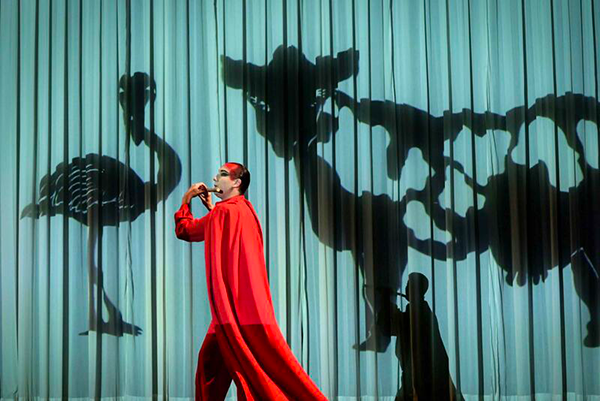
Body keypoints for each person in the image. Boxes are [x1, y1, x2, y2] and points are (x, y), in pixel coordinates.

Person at [174, 162, 327, 401]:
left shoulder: (223, 213)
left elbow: (186, 230)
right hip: (249, 313)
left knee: (233, 374)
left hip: (232, 316)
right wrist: (212, 209)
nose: (215, 179)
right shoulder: (246, 211)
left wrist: (186, 199)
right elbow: (223, 233)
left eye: (223, 175)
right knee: (236, 369)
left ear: (237, 182)